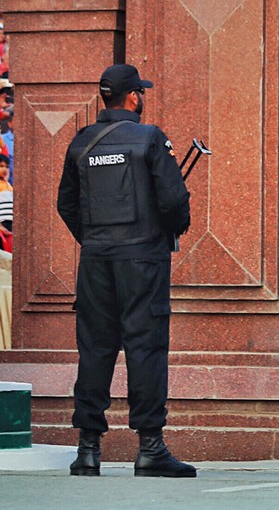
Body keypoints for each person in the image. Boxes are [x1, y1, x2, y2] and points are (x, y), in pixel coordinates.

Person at [56, 64, 195, 478]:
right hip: (143, 260)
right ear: (133, 97)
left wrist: (97, 239)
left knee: (95, 349)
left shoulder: (81, 142)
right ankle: (150, 448)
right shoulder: (150, 138)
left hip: (97, 260)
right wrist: (162, 233)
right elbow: (174, 200)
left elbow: (66, 204)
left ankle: (87, 450)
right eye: (141, 92)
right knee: (145, 347)